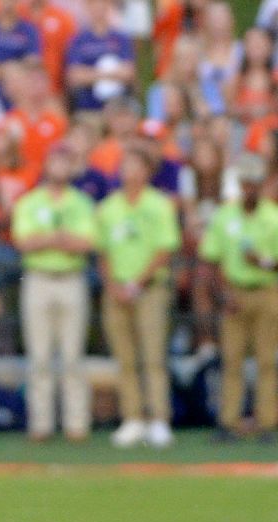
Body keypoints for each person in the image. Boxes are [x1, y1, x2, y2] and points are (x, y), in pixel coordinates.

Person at [200, 154, 278, 442]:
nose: (250, 190)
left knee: (267, 360)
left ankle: (267, 422)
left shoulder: (277, 217)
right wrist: (221, 295)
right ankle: (229, 420)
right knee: (232, 360)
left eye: (255, 184)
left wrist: (264, 262)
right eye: (246, 184)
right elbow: (211, 260)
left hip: (266, 290)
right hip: (235, 291)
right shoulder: (224, 215)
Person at [12, 144, 98, 441]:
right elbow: (23, 241)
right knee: (39, 355)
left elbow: (87, 242)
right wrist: (60, 238)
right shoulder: (30, 202)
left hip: (71, 277)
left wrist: (46, 239)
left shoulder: (82, 202)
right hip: (39, 278)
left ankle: (77, 424)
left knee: (73, 354)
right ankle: (41, 424)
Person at [96, 149, 181, 448]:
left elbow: (165, 249)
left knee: (153, 355)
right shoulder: (108, 207)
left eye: (135, 165)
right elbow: (103, 251)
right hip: (117, 290)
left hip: (150, 289)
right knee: (125, 357)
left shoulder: (159, 205)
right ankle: (132, 417)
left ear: (147, 171)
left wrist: (137, 282)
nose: (129, 171)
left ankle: (158, 418)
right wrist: (114, 285)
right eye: (125, 165)